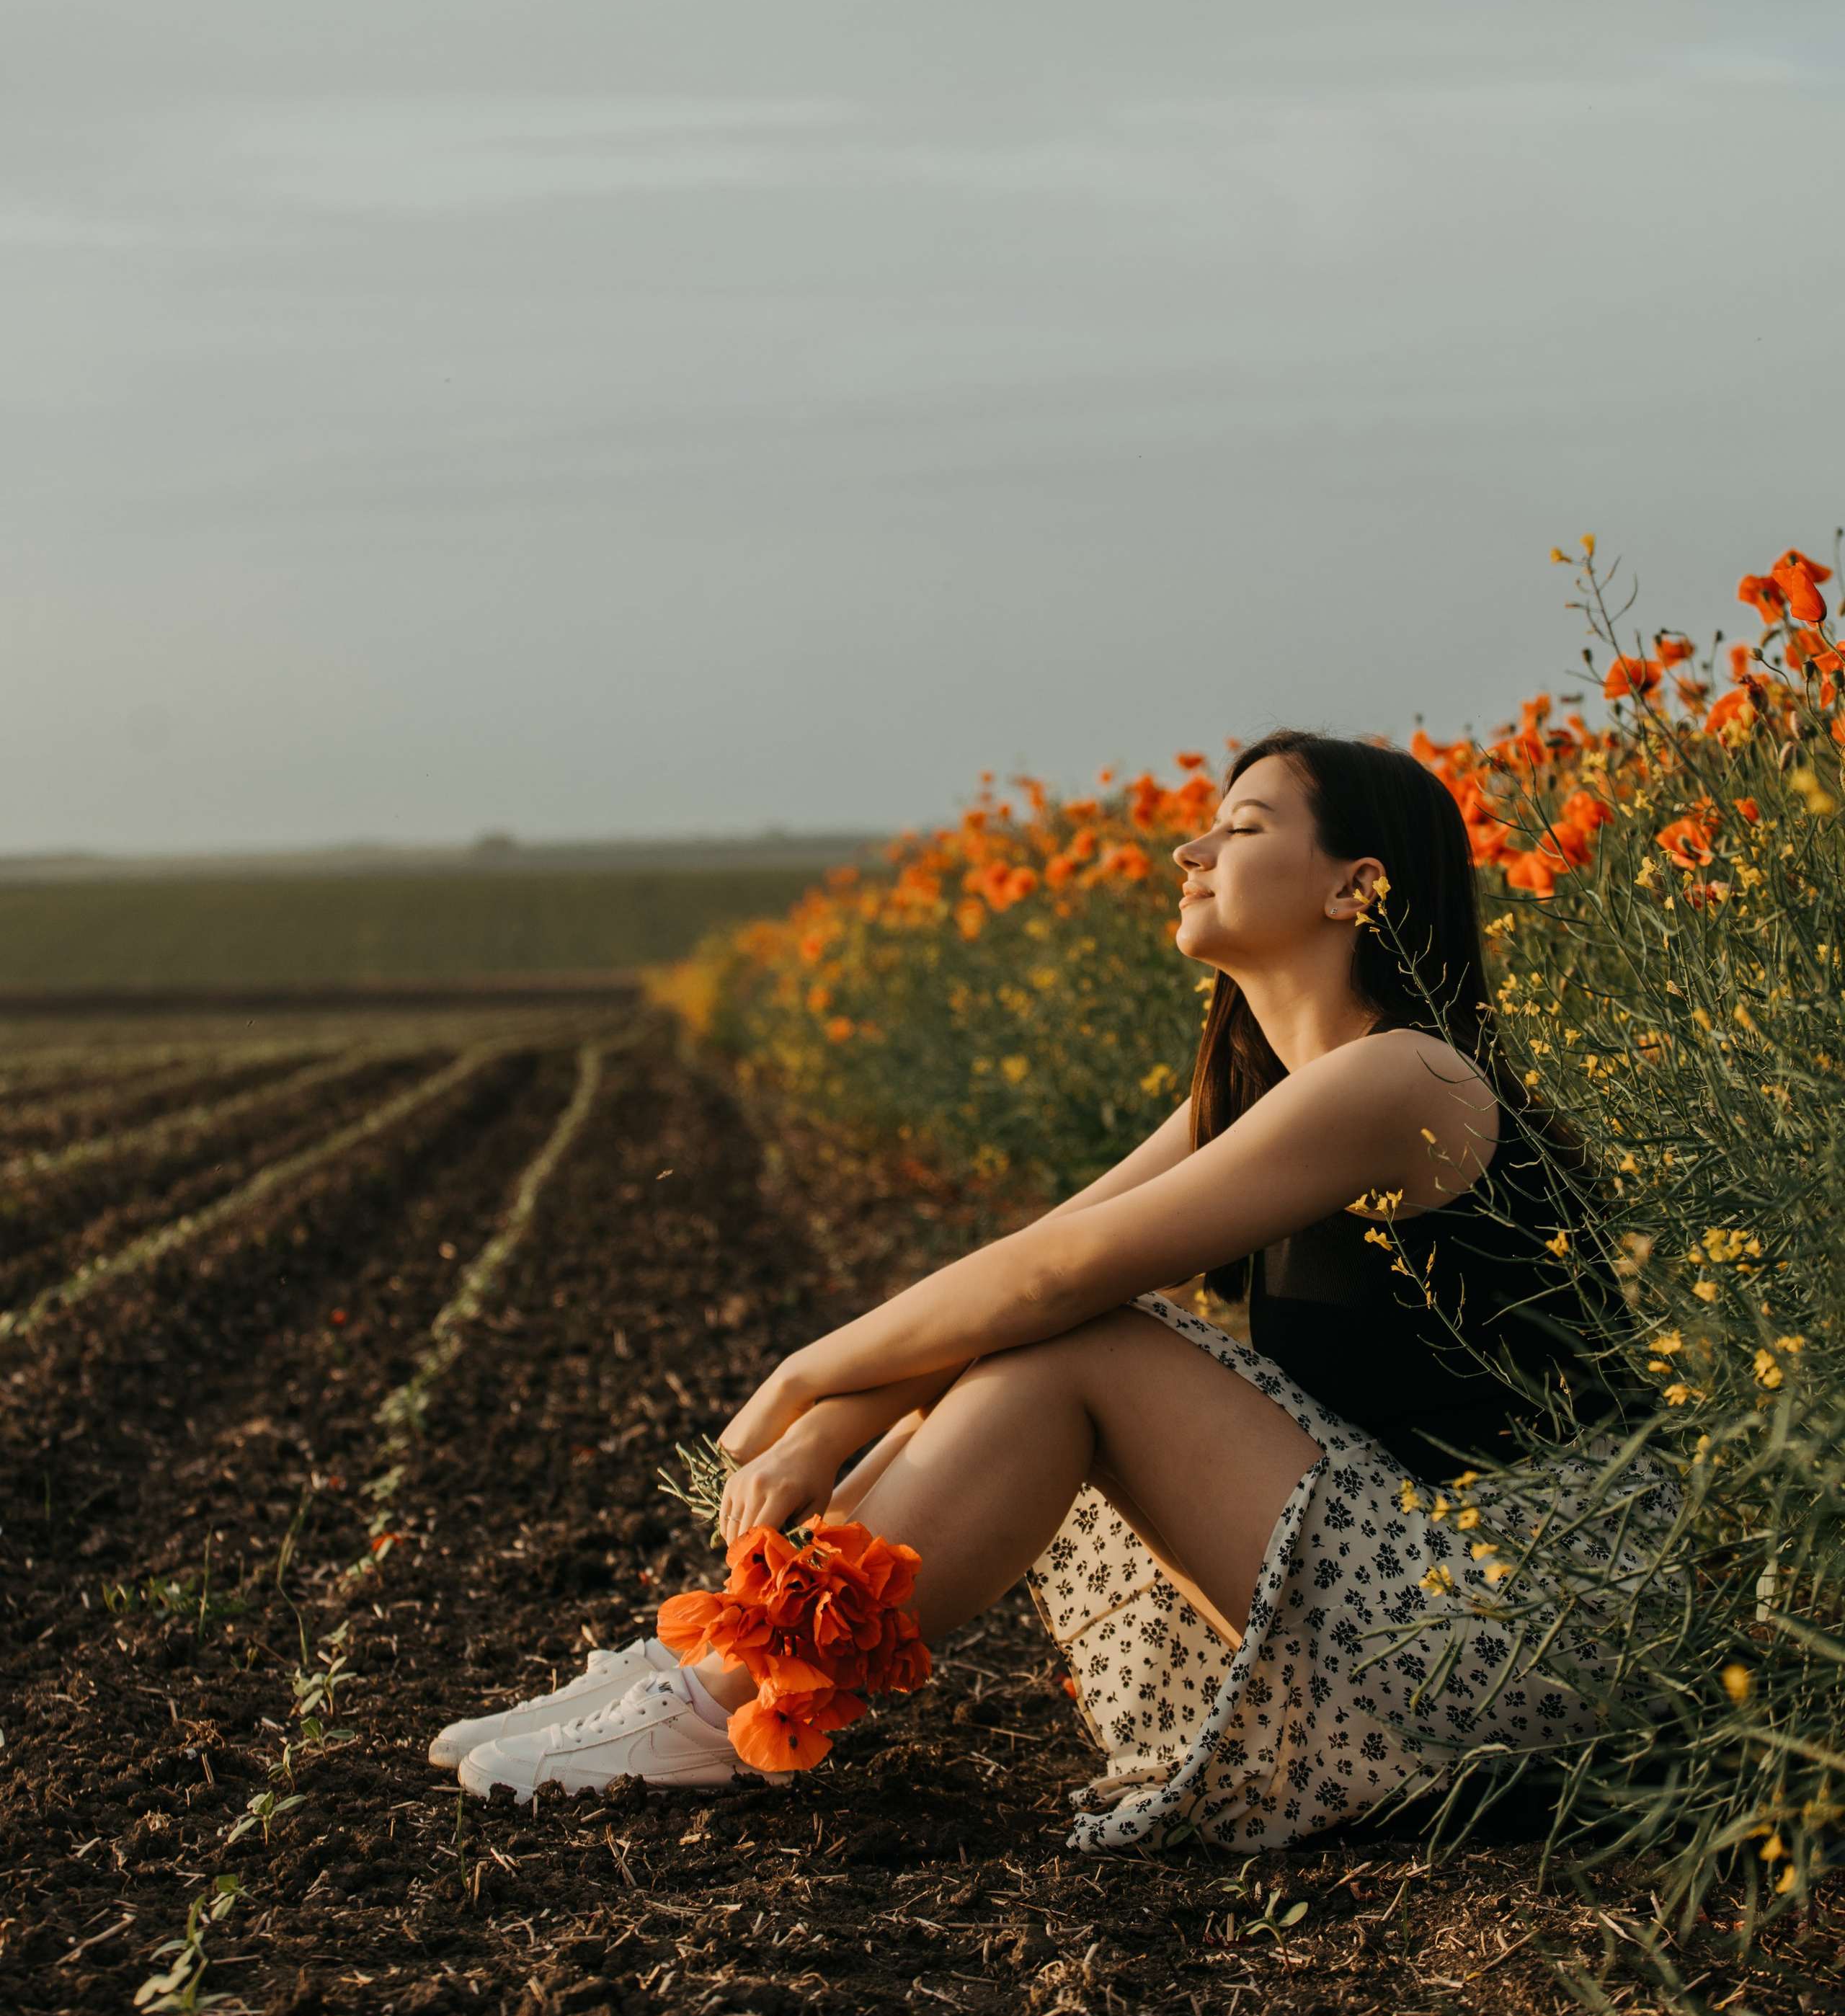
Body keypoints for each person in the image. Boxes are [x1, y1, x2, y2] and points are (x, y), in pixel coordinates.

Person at [434, 732, 1654, 1847]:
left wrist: (808, 1378)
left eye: (1242, 827)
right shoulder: (1262, 1092)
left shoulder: (1406, 1081)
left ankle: (721, 1706)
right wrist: (840, 1422)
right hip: (1420, 1587)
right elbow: (1042, 1253)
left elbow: (1056, 1282)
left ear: (1356, 886)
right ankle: (722, 1661)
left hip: (1524, 1624)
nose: (1191, 848)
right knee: (1059, 1325)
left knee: (1093, 1341)